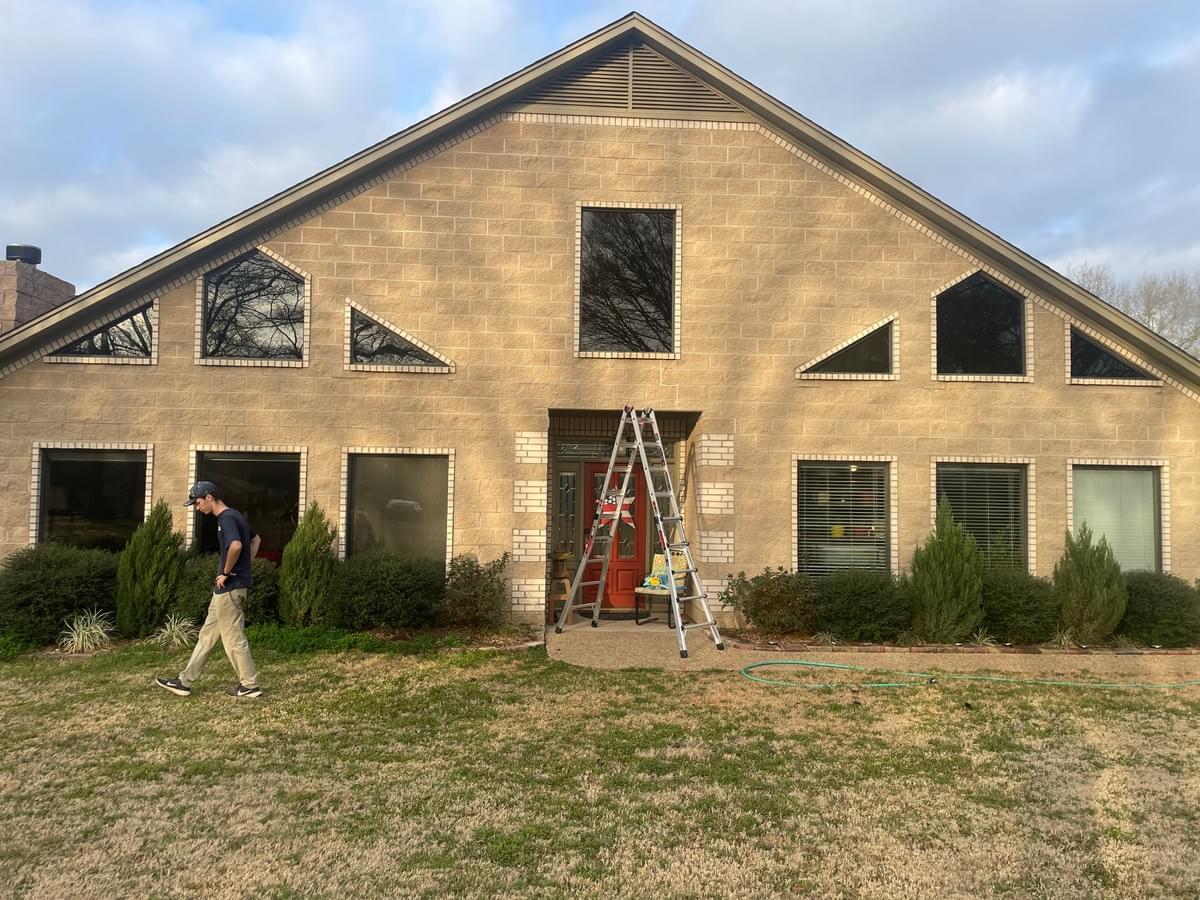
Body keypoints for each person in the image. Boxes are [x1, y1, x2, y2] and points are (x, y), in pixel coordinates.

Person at [156, 481, 264, 699]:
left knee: (233, 637)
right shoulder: (235, 515)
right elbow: (256, 540)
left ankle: (250, 685)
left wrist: (227, 571)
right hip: (228, 588)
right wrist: (244, 568)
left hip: (230, 587)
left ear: (209, 497)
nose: (197, 508)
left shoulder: (226, 518)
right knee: (207, 635)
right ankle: (184, 682)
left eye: (197, 502)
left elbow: (236, 545)